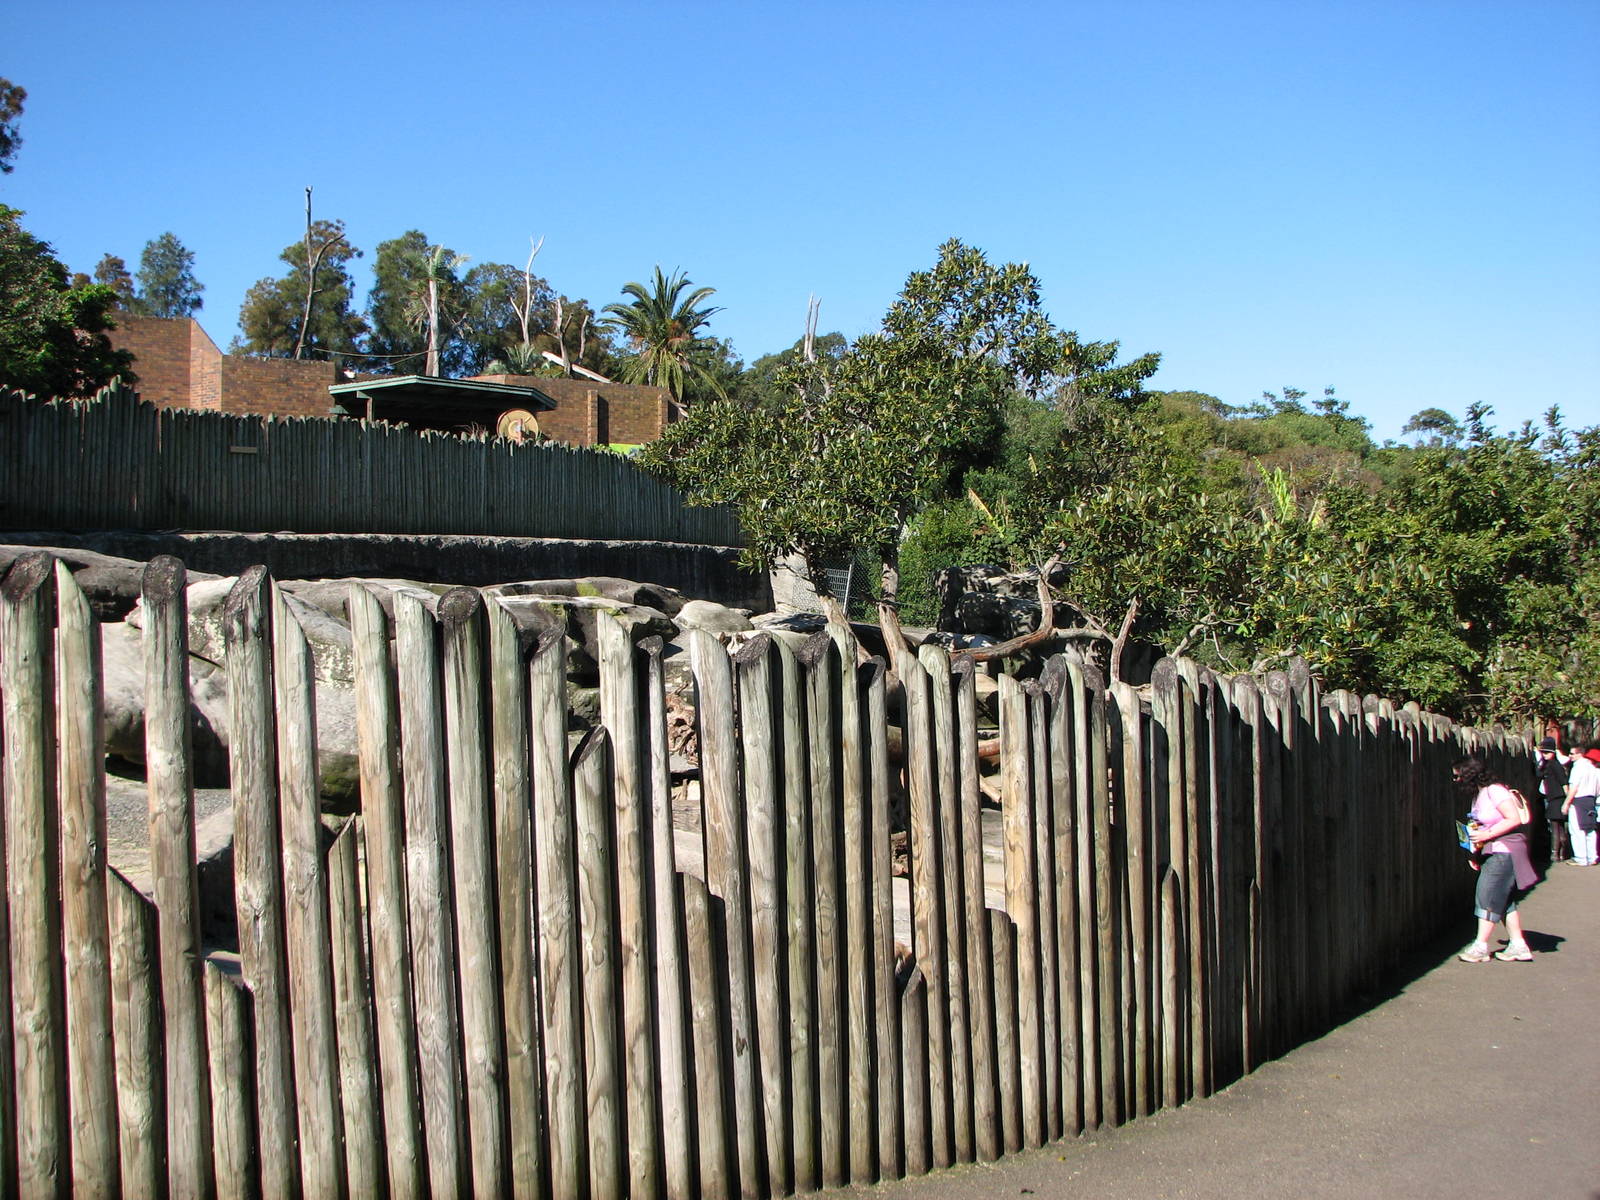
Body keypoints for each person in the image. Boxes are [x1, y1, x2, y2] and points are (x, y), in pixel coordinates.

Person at [1454, 757, 1539, 963]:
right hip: (1491, 850)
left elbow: (1514, 818)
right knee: (1504, 900)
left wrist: (1486, 835)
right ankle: (1518, 945)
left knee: (1487, 895)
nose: (1455, 780)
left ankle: (1480, 946)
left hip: (1505, 850)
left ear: (1469, 774)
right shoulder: (1479, 795)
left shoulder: (1495, 791)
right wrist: (1476, 852)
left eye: (1457, 775)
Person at [1560, 742, 1600, 867]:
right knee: (1590, 830)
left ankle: (1581, 858)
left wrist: (1566, 803)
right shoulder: (1594, 769)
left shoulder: (1578, 767)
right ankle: (1592, 857)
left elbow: (1574, 788)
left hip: (1578, 801)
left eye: (1572, 754)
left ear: (1580, 754)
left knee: (1577, 830)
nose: (1570, 756)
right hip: (1591, 800)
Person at [1535, 737, 1572, 863]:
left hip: (1557, 799)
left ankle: (1555, 853)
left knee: (1556, 827)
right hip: (1553, 798)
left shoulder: (1556, 765)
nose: (1544, 755)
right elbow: (1538, 774)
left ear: (1553, 752)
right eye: (1543, 753)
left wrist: (1568, 800)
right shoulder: (1547, 765)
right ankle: (1561, 853)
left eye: (1547, 753)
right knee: (1559, 827)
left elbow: (1564, 782)